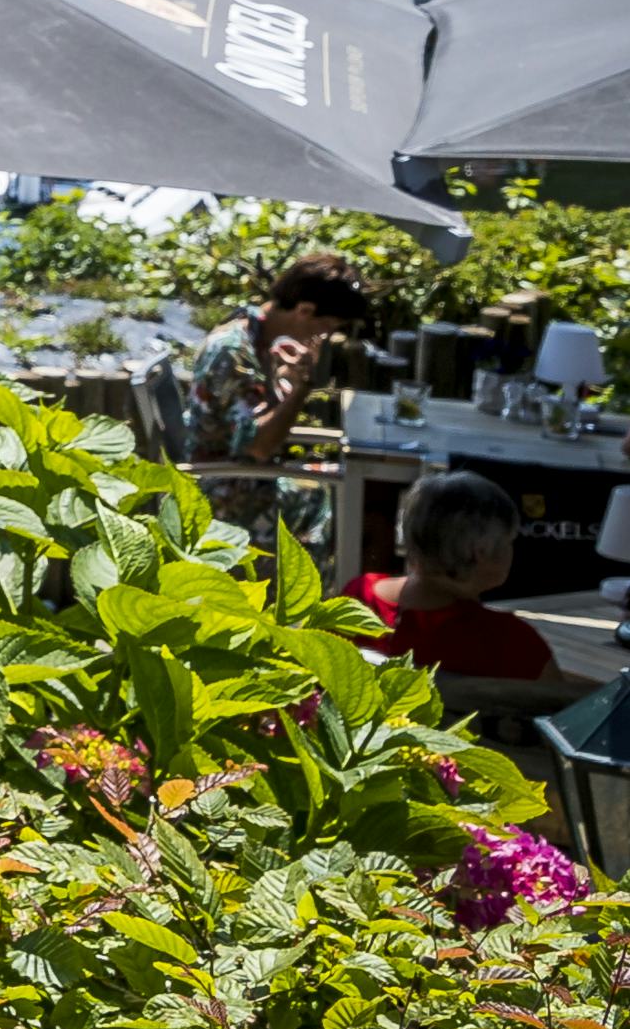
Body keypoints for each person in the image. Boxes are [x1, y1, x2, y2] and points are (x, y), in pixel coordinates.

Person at [360, 472, 580, 731]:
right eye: (509, 541)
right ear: (481, 553)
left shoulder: (360, 599)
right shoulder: (513, 642)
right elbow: (565, 717)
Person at [181, 250, 379, 472]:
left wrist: (288, 379)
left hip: (253, 473)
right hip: (228, 480)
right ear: (304, 310)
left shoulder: (258, 336)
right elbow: (258, 446)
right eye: (327, 326)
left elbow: (255, 407)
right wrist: (303, 387)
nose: (325, 336)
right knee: (355, 481)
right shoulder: (233, 352)